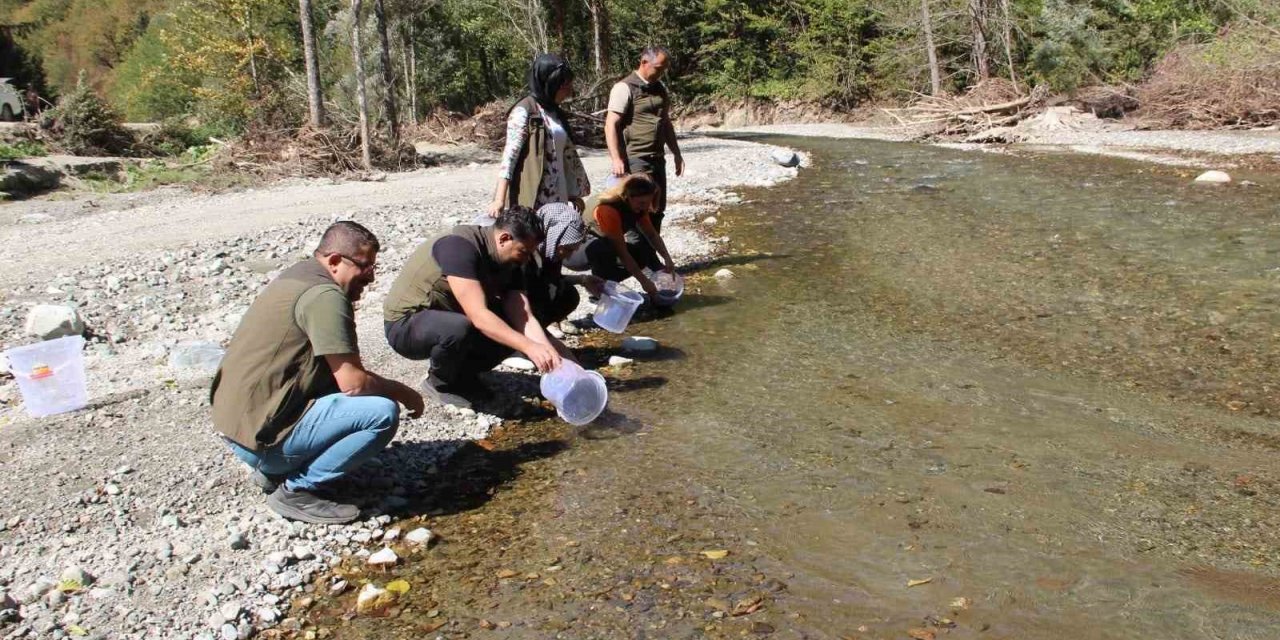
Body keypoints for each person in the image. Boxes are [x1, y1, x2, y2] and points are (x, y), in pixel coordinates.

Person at [211, 221, 425, 525]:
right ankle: (296, 491)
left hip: (240, 428)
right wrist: (405, 392)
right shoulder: (326, 296)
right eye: (365, 267)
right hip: (258, 440)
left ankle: (275, 469)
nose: (371, 277)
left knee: (350, 394)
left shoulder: (301, 274)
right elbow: (353, 382)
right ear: (335, 261)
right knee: (381, 412)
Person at [383, 208, 570, 409]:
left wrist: (550, 353)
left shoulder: (512, 260)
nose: (526, 259)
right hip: (406, 325)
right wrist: (528, 347)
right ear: (505, 238)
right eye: (523, 252)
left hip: (449, 315)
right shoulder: (458, 247)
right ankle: (440, 383)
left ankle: (463, 376)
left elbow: (522, 315)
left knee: (508, 325)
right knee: (460, 327)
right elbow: (479, 316)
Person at [488, 53, 591, 215]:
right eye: (563, 86)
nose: (568, 91)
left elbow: (565, 156)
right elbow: (510, 157)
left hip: (560, 196)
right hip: (534, 198)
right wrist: (499, 199)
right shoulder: (524, 111)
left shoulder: (555, 112)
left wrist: (575, 194)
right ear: (549, 84)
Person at [605, 45, 684, 231]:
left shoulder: (660, 89)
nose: (661, 73)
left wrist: (677, 154)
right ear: (644, 62)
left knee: (657, 208)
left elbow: (665, 123)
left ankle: (650, 256)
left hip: (657, 158)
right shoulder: (625, 87)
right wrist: (616, 159)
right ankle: (636, 258)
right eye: (658, 68)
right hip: (636, 159)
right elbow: (611, 124)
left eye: (664, 69)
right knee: (638, 211)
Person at [565, 174, 677, 301]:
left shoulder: (638, 206)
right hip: (573, 253)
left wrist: (667, 258)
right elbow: (621, 252)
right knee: (602, 250)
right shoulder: (607, 209)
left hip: (602, 246)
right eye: (642, 203)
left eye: (648, 202)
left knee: (642, 254)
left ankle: (608, 284)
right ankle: (600, 291)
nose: (645, 207)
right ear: (628, 196)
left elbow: (651, 235)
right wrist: (644, 282)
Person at [525, 202, 604, 328]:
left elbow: (551, 277)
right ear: (553, 236)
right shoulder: (524, 254)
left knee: (568, 295)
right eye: (567, 249)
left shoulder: (551, 251)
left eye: (572, 250)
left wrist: (583, 280)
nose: (568, 256)